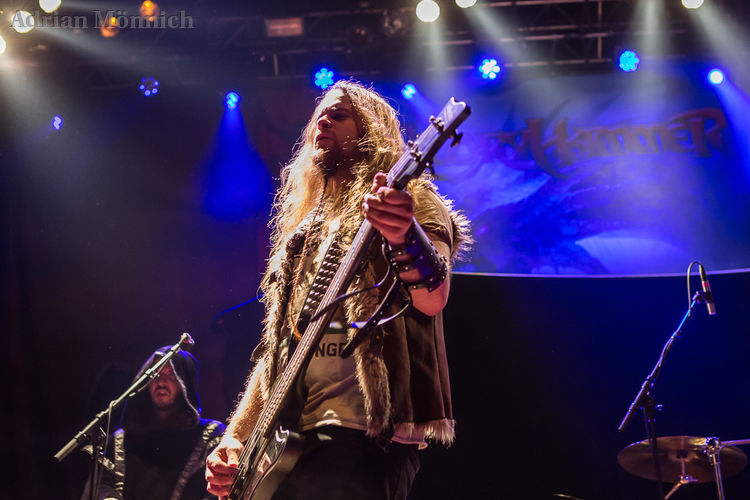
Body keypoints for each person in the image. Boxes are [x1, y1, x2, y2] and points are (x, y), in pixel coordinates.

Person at [206, 80, 470, 499]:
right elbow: (281, 351)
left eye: (340, 114)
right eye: (320, 115)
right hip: (292, 441)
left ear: (373, 133)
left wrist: (403, 234)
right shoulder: (304, 233)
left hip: (366, 435)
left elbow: (433, 297)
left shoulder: (411, 200)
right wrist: (236, 437)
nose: (323, 120)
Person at [83, 347, 226, 500]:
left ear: (184, 382)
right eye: (155, 374)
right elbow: (103, 486)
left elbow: (216, 491)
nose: (161, 382)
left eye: (171, 374)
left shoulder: (211, 437)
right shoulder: (120, 441)